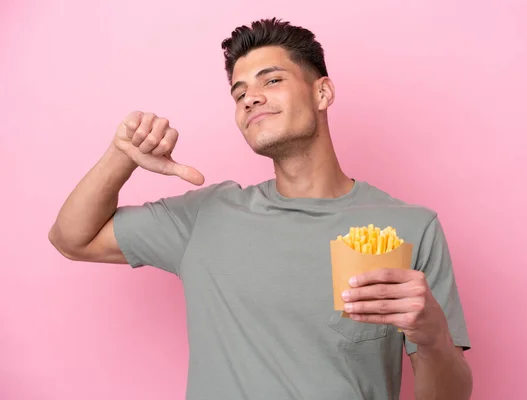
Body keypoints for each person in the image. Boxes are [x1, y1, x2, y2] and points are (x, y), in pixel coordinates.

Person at [49, 17, 473, 400]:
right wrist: (122, 155)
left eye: (271, 81)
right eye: (239, 92)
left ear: (322, 92)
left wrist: (433, 335)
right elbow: (72, 238)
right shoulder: (205, 215)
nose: (250, 98)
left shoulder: (411, 228)